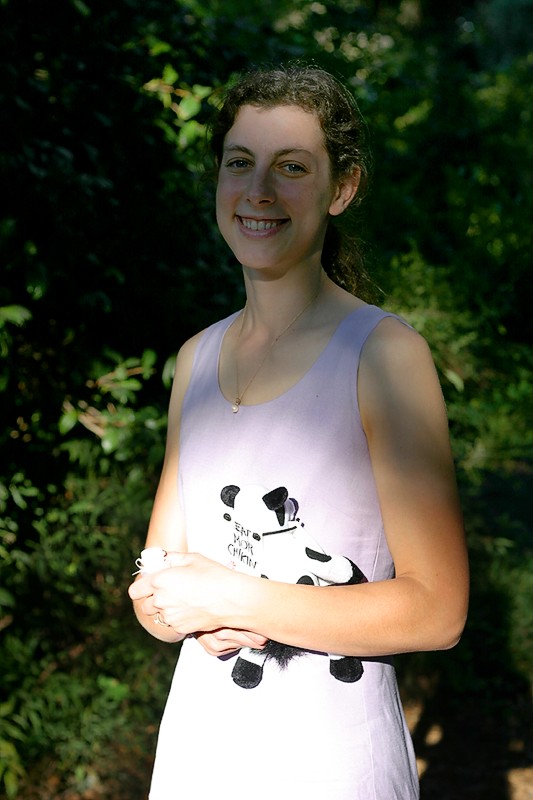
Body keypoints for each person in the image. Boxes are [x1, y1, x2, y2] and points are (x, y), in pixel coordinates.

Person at [128, 64, 469, 800]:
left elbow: (439, 610)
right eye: (239, 163)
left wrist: (234, 600)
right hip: (198, 757)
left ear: (341, 188)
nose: (258, 191)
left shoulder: (383, 355)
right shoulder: (195, 359)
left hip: (332, 766)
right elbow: (155, 585)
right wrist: (167, 605)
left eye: (291, 167)